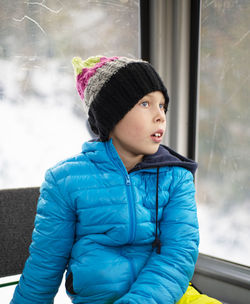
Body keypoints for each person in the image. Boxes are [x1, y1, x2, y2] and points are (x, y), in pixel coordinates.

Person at [10, 56, 221, 304]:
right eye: (145, 104)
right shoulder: (64, 181)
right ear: (112, 115)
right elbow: (44, 267)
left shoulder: (176, 176)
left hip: (168, 296)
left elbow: (178, 254)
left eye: (162, 105)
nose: (160, 116)